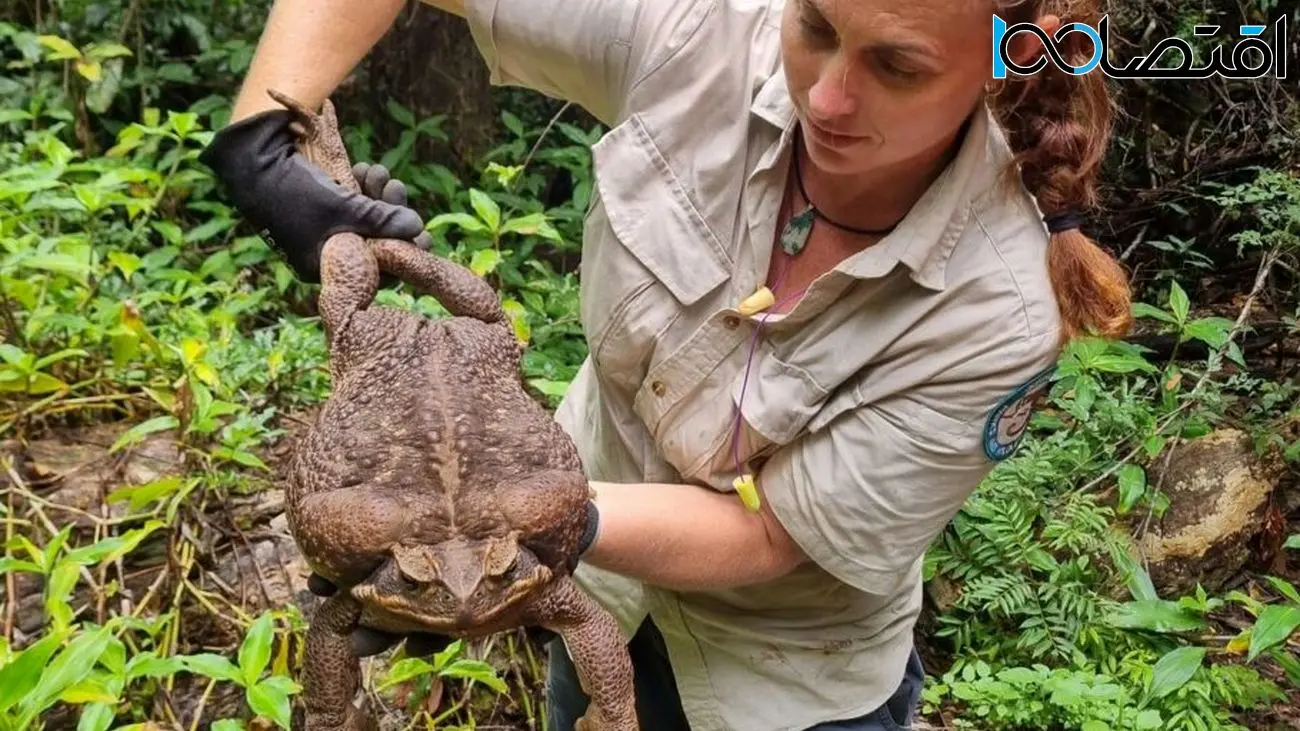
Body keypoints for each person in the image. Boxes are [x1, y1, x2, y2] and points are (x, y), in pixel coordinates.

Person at [199, 0, 1134, 728]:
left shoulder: (1000, 307)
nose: (827, 95)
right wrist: (261, 149)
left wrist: (527, 517)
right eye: (815, 26)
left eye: (897, 65)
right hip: (594, 599)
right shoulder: (708, 35)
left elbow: (776, 536)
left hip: (783, 683)